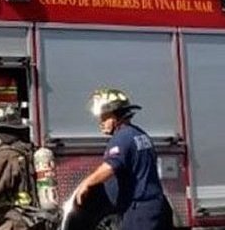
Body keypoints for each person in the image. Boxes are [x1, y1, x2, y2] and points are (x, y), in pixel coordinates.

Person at [71, 88, 173, 230]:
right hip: (153, 207)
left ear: (116, 116)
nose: (101, 122)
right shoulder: (138, 134)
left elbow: (109, 167)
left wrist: (86, 183)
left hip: (139, 212)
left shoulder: (122, 138)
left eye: (105, 117)